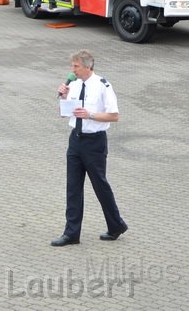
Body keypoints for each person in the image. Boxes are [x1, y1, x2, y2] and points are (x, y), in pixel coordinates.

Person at [52, 50, 128, 246]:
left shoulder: (103, 86)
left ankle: (116, 225)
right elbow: (66, 114)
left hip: (94, 142)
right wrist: (64, 97)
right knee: (73, 187)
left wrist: (90, 115)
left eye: (76, 66)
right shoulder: (74, 85)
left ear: (87, 66)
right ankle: (71, 233)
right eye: (72, 66)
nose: (72, 70)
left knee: (100, 185)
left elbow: (114, 115)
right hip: (75, 140)